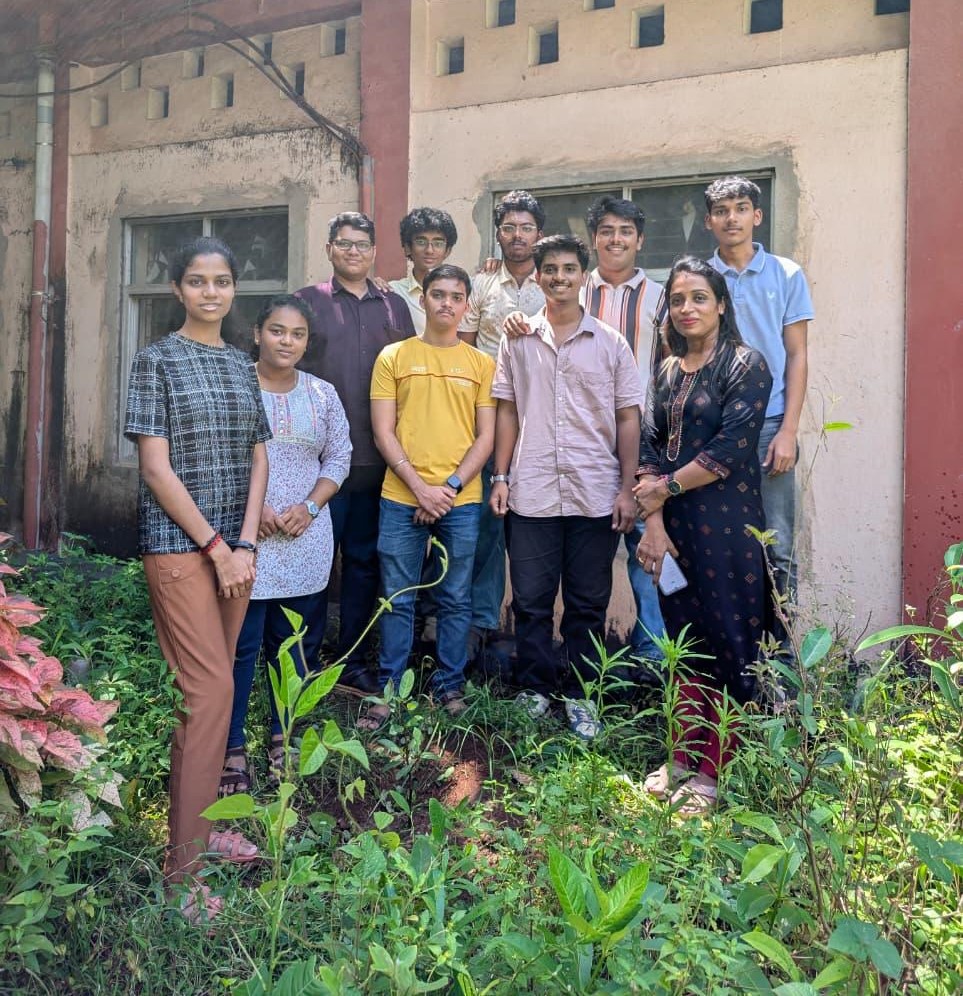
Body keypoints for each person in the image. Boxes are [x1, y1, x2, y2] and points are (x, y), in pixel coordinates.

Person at [124, 236, 271, 923]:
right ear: (178, 289)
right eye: (197, 281)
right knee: (208, 693)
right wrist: (216, 547)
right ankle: (181, 879)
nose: (210, 292)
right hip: (180, 549)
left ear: (233, 289)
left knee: (216, 695)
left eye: (221, 281)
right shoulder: (155, 360)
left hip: (236, 551)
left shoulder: (242, 364)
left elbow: (258, 456)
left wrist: (245, 542)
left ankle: (206, 831)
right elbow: (155, 469)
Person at [634, 256, 773, 815]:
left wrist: (663, 489)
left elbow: (729, 451)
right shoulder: (666, 370)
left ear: (720, 304)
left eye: (698, 297)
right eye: (677, 299)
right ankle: (682, 758)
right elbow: (648, 446)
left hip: (728, 528)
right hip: (674, 533)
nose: (686, 308)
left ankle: (716, 770)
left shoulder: (745, 365)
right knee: (684, 644)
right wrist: (653, 524)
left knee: (729, 641)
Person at [490, 235, 643, 739]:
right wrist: (501, 476)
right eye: (550, 269)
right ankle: (535, 687)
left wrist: (627, 489)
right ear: (538, 277)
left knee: (587, 603)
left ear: (584, 276)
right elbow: (507, 410)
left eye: (569, 268)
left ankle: (582, 695)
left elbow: (628, 418)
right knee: (531, 600)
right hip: (532, 490)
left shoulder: (611, 343)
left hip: (594, 492)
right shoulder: (517, 339)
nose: (559, 277)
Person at [220, 295, 351, 795]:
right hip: (246, 539)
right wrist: (256, 510)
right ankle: (232, 746)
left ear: (307, 342)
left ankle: (284, 737)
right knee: (241, 648)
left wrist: (310, 507)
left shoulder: (322, 394)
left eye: (297, 334)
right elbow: (220, 457)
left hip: (304, 538)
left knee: (294, 648)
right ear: (257, 333)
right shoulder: (234, 387)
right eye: (277, 331)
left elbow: (339, 457)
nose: (287, 342)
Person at [363, 264, 496, 728]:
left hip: (461, 499)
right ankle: (390, 691)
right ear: (423, 300)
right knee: (397, 597)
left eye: (456, 297)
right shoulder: (394, 357)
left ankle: (449, 687)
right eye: (438, 294)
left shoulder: (481, 364)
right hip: (401, 495)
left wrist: (449, 487)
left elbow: (486, 437)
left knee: (456, 597)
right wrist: (420, 488)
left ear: (466, 306)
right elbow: (383, 431)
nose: (447, 303)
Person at [297, 212, 416, 695]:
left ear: (374, 252)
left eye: (361, 244)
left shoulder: (394, 306)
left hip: (376, 459)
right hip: (318, 462)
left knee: (365, 563)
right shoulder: (308, 303)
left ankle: (351, 659)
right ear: (329, 248)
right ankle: (302, 662)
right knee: (314, 561)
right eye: (343, 243)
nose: (352, 251)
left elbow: (409, 374)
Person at [704, 176, 814, 626]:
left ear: (757, 215)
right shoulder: (701, 277)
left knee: (777, 545)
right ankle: (730, 650)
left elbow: (797, 354)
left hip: (769, 427)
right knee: (718, 542)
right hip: (712, 428)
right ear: (709, 221)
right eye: (721, 210)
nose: (731, 218)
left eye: (741, 208)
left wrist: (788, 430)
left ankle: (782, 657)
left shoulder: (785, 274)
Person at [457, 190, 547, 659]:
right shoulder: (482, 283)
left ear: (540, 233)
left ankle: (532, 630)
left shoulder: (555, 278)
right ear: (498, 234)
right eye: (509, 227)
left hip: (544, 418)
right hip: (491, 416)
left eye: (526, 227)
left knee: (534, 525)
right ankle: (482, 624)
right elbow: (466, 349)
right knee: (488, 525)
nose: (517, 235)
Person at [583, 195, 667, 669]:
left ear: (641, 240)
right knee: (586, 553)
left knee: (648, 547)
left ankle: (653, 657)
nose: (616, 239)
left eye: (626, 232)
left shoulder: (662, 296)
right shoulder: (573, 291)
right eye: (607, 231)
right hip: (586, 441)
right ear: (594, 239)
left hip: (647, 440)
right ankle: (588, 660)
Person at [389, 207, 458, 334]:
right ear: (408, 248)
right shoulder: (393, 292)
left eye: (438, 243)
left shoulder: (461, 291)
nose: (429, 250)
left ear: (447, 251)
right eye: (421, 242)